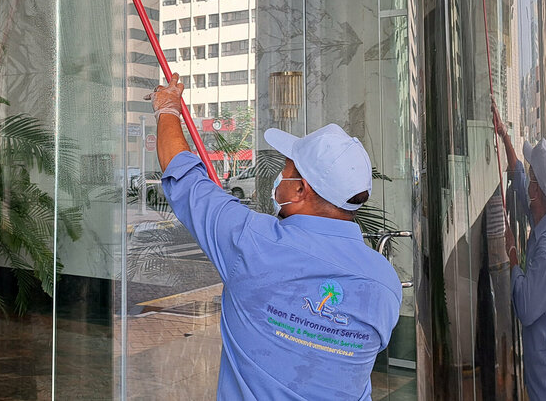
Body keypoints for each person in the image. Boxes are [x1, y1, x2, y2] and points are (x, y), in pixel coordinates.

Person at [148, 74, 402, 400]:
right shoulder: (385, 282)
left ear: (299, 189)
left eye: (286, 168)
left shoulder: (252, 243)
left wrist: (167, 108)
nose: (279, 176)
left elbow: (183, 178)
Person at [492, 105, 546, 400]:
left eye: (532, 178)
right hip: (537, 370)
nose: (528, 184)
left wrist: (511, 253)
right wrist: (504, 136)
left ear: (538, 191)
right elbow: (518, 176)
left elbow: (524, 306)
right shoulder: (540, 215)